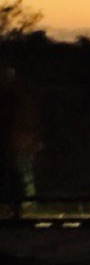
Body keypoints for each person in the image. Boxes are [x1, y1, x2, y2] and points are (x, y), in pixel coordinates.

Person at [0, 64, 38, 203]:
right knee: (17, 171)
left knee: (20, 171)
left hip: (17, 142)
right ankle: (24, 202)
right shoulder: (17, 97)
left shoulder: (17, 98)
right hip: (15, 141)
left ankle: (25, 202)